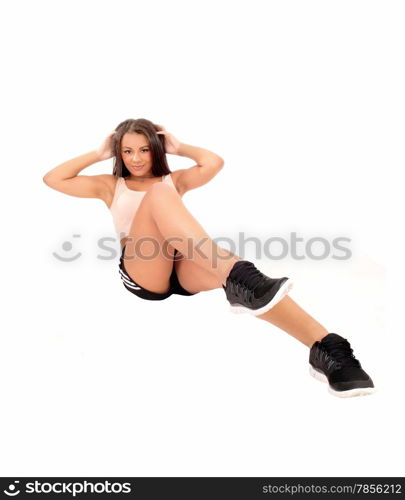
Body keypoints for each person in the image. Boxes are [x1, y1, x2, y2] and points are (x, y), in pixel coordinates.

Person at [43, 118, 375, 398]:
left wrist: (178, 146)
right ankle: (245, 278)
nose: (137, 158)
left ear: (155, 149)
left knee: (228, 267)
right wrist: (98, 152)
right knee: (166, 200)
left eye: (144, 149)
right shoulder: (109, 185)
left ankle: (329, 350)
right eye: (127, 151)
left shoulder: (176, 180)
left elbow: (213, 162)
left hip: (184, 262)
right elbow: (53, 179)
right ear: (119, 153)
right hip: (143, 269)